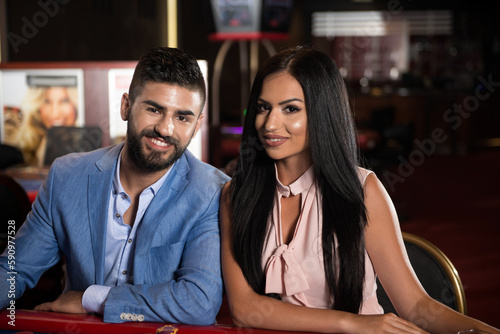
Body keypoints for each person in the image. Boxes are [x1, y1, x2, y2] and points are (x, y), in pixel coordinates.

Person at [219, 46, 500, 333]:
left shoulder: (363, 189)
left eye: (290, 109)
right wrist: (352, 323)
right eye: (263, 107)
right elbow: (244, 309)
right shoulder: (236, 195)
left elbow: (415, 305)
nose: (270, 124)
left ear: (322, 113)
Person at [0, 47, 230, 325]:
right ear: (126, 106)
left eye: (182, 117)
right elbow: (14, 271)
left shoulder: (213, 192)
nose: (166, 129)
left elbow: (198, 302)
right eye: (154, 109)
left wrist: (92, 299)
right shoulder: (67, 176)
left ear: (196, 126)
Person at [4, 85, 79, 166]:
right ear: (38, 107)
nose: (55, 113)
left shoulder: (87, 148)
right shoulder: (19, 147)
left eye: (64, 101)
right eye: (47, 101)